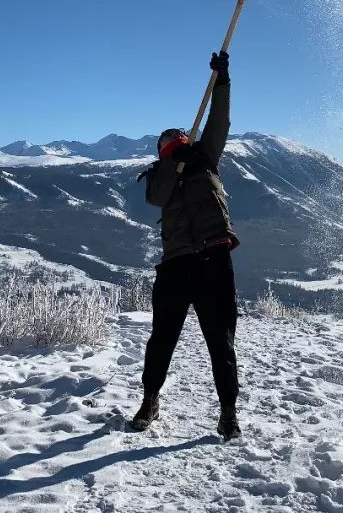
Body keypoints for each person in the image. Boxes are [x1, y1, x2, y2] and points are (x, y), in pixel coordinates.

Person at [132, 51, 241, 440]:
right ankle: (150, 398)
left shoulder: (207, 160)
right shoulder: (159, 178)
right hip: (176, 266)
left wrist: (222, 79)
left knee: (221, 341)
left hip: (214, 259)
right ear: (162, 152)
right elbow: (157, 198)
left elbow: (220, 120)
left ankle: (228, 411)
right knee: (162, 338)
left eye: (180, 139)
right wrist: (171, 164)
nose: (178, 143)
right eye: (170, 143)